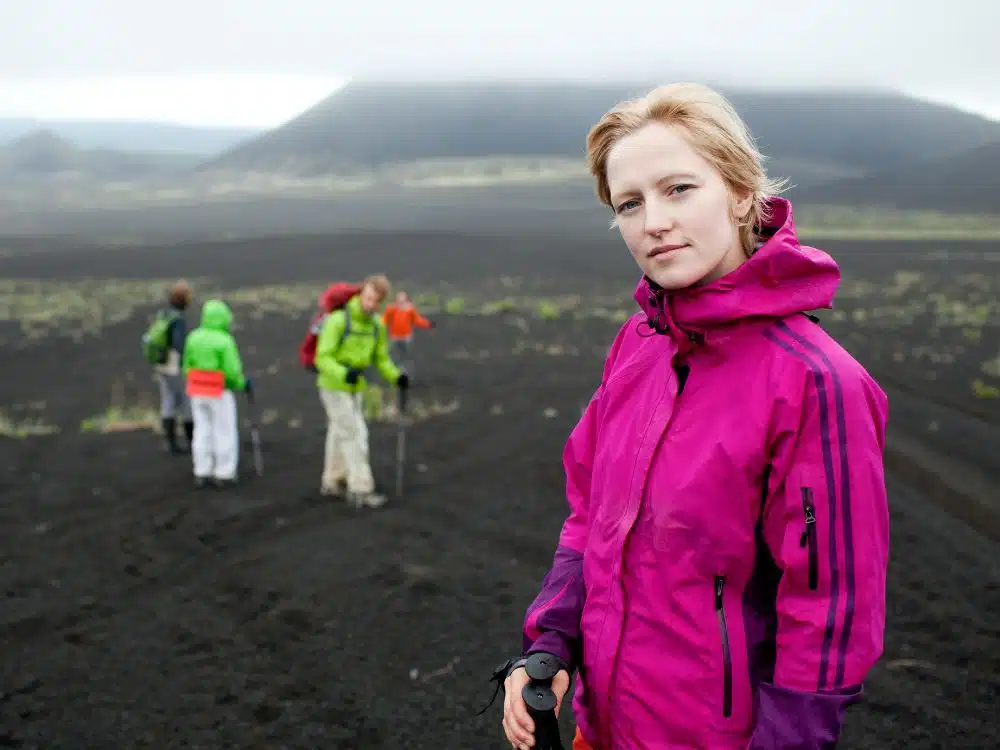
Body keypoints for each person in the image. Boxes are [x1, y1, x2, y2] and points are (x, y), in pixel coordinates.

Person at [497, 83, 890, 750]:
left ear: (741, 193)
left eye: (679, 188)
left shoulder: (816, 384)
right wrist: (551, 644)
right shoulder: (637, 347)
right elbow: (591, 517)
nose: (653, 221)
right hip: (604, 729)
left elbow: (829, 618)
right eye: (630, 203)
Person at [314, 274, 409, 507]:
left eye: (375, 301)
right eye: (367, 298)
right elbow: (322, 357)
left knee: (340, 433)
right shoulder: (338, 320)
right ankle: (361, 489)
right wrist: (343, 373)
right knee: (355, 434)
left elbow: (381, 358)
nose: (370, 305)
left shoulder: (376, 325)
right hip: (333, 385)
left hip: (355, 385)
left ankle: (332, 481)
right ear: (361, 293)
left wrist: (396, 377)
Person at [182, 298, 251, 488]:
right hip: (218, 391)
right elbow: (231, 371)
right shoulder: (224, 340)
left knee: (202, 430)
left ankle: (202, 470)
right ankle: (224, 472)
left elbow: (186, 366)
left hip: (196, 391)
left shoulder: (193, 337)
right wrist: (242, 384)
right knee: (224, 430)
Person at [152, 280, 194, 454]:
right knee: (186, 402)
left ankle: (170, 443)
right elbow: (178, 344)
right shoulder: (178, 319)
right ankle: (193, 442)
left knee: (168, 400)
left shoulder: (163, 314)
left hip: (160, 362)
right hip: (174, 364)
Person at [382, 290, 433, 372]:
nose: (400, 300)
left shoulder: (410, 309)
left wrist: (428, 324)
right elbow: (385, 320)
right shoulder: (391, 308)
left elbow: (417, 320)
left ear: (406, 299)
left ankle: (405, 372)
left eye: (402, 298)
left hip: (406, 337)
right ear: (396, 299)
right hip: (394, 336)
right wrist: (377, 326)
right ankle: (391, 370)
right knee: (392, 354)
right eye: (399, 298)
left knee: (405, 355)